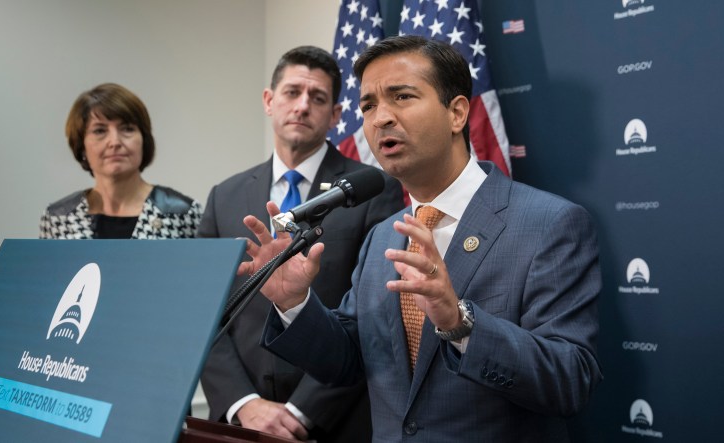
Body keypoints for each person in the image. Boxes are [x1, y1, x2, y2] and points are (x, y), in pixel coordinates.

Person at [238, 36, 603, 442]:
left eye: (402, 97)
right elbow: (349, 362)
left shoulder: (549, 224)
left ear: (457, 113)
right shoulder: (383, 237)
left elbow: (571, 380)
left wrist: (460, 323)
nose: (380, 118)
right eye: (368, 105)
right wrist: (294, 303)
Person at [197, 46, 403, 441]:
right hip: (241, 422)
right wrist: (243, 402)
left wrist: (301, 413)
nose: (303, 106)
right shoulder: (224, 196)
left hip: (335, 420)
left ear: (336, 115)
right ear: (269, 101)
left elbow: (376, 314)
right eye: (292, 92)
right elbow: (203, 308)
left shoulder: (372, 191)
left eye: (318, 98)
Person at [40, 83, 201, 239]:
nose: (115, 142)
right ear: (81, 146)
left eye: (127, 129)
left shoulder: (183, 213)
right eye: (100, 131)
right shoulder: (58, 217)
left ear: (144, 141)